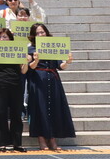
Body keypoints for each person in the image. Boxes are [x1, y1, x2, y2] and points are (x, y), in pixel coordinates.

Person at [27, 23, 76, 151]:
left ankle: (53, 138)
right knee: (39, 109)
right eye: (37, 33)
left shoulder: (53, 47)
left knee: (54, 109)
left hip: (53, 79)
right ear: (33, 35)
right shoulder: (31, 49)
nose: (40, 35)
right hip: (38, 79)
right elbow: (29, 67)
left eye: (42, 32)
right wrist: (36, 60)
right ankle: (42, 139)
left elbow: (60, 66)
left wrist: (67, 62)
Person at [0, 27, 29, 152]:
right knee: (1, 114)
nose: (2, 39)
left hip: (15, 84)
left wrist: (25, 61)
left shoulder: (17, 50)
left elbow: (23, 70)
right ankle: (2, 143)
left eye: (5, 37)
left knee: (16, 114)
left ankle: (17, 143)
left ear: (10, 39)